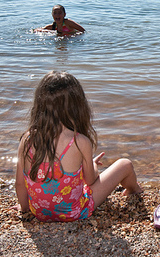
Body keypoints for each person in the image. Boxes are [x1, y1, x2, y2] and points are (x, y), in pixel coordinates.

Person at [15, 71, 142, 222]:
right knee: (125, 164)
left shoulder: (27, 138)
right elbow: (90, 181)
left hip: (39, 212)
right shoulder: (79, 141)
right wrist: (93, 165)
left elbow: (20, 183)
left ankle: (37, 208)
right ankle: (134, 190)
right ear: (78, 106)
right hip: (73, 213)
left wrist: (25, 209)